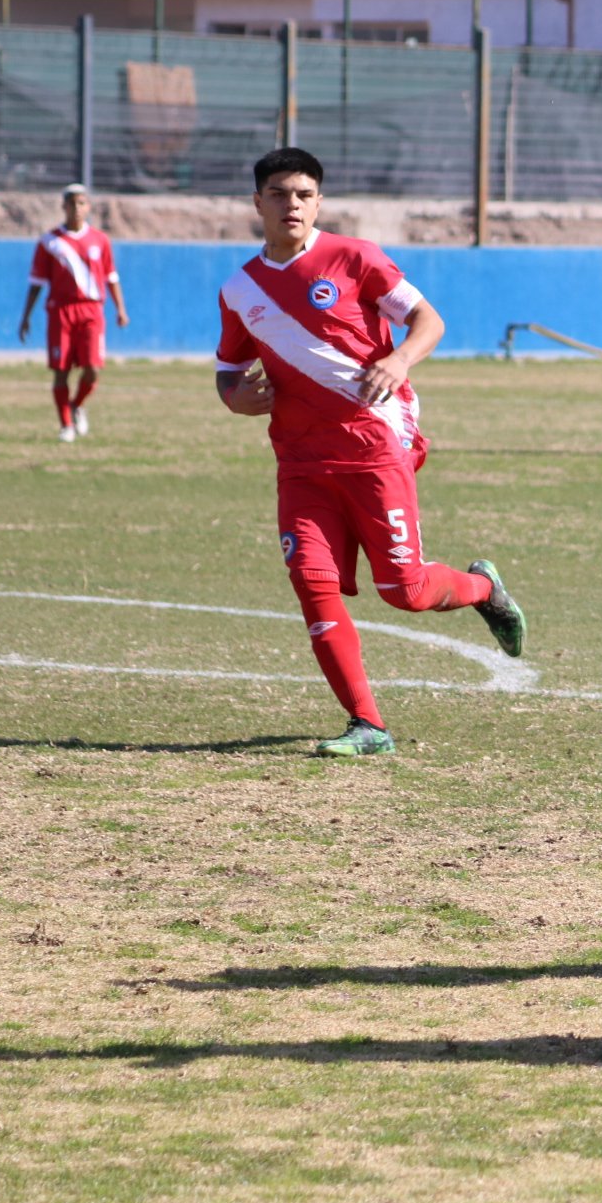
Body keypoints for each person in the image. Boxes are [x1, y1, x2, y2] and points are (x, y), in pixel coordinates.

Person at [213, 147, 526, 758]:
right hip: (300, 461)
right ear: (258, 203)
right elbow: (229, 373)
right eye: (278, 194)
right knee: (312, 583)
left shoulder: (355, 258)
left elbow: (429, 321)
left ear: (319, 202)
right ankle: (368, 726)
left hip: (373, 444)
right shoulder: (238, 290)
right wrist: (237, 400)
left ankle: (484, 591)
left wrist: (399, 358)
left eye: (303, 194)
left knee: (403, 591)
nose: (292, 205)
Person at [18, 184, 129, 442]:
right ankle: (65, 425)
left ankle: (76, 404)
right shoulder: (50, 242)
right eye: (72, 204)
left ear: (88, 207)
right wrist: (26, 317)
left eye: (82, 203)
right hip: (61, 311)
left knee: (92, 369)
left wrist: (121, 309)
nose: (77, 209)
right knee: (61, 370)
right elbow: (36, 283)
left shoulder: (100, 240)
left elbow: (111, 277)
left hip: (91, 311)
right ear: (63, 206)